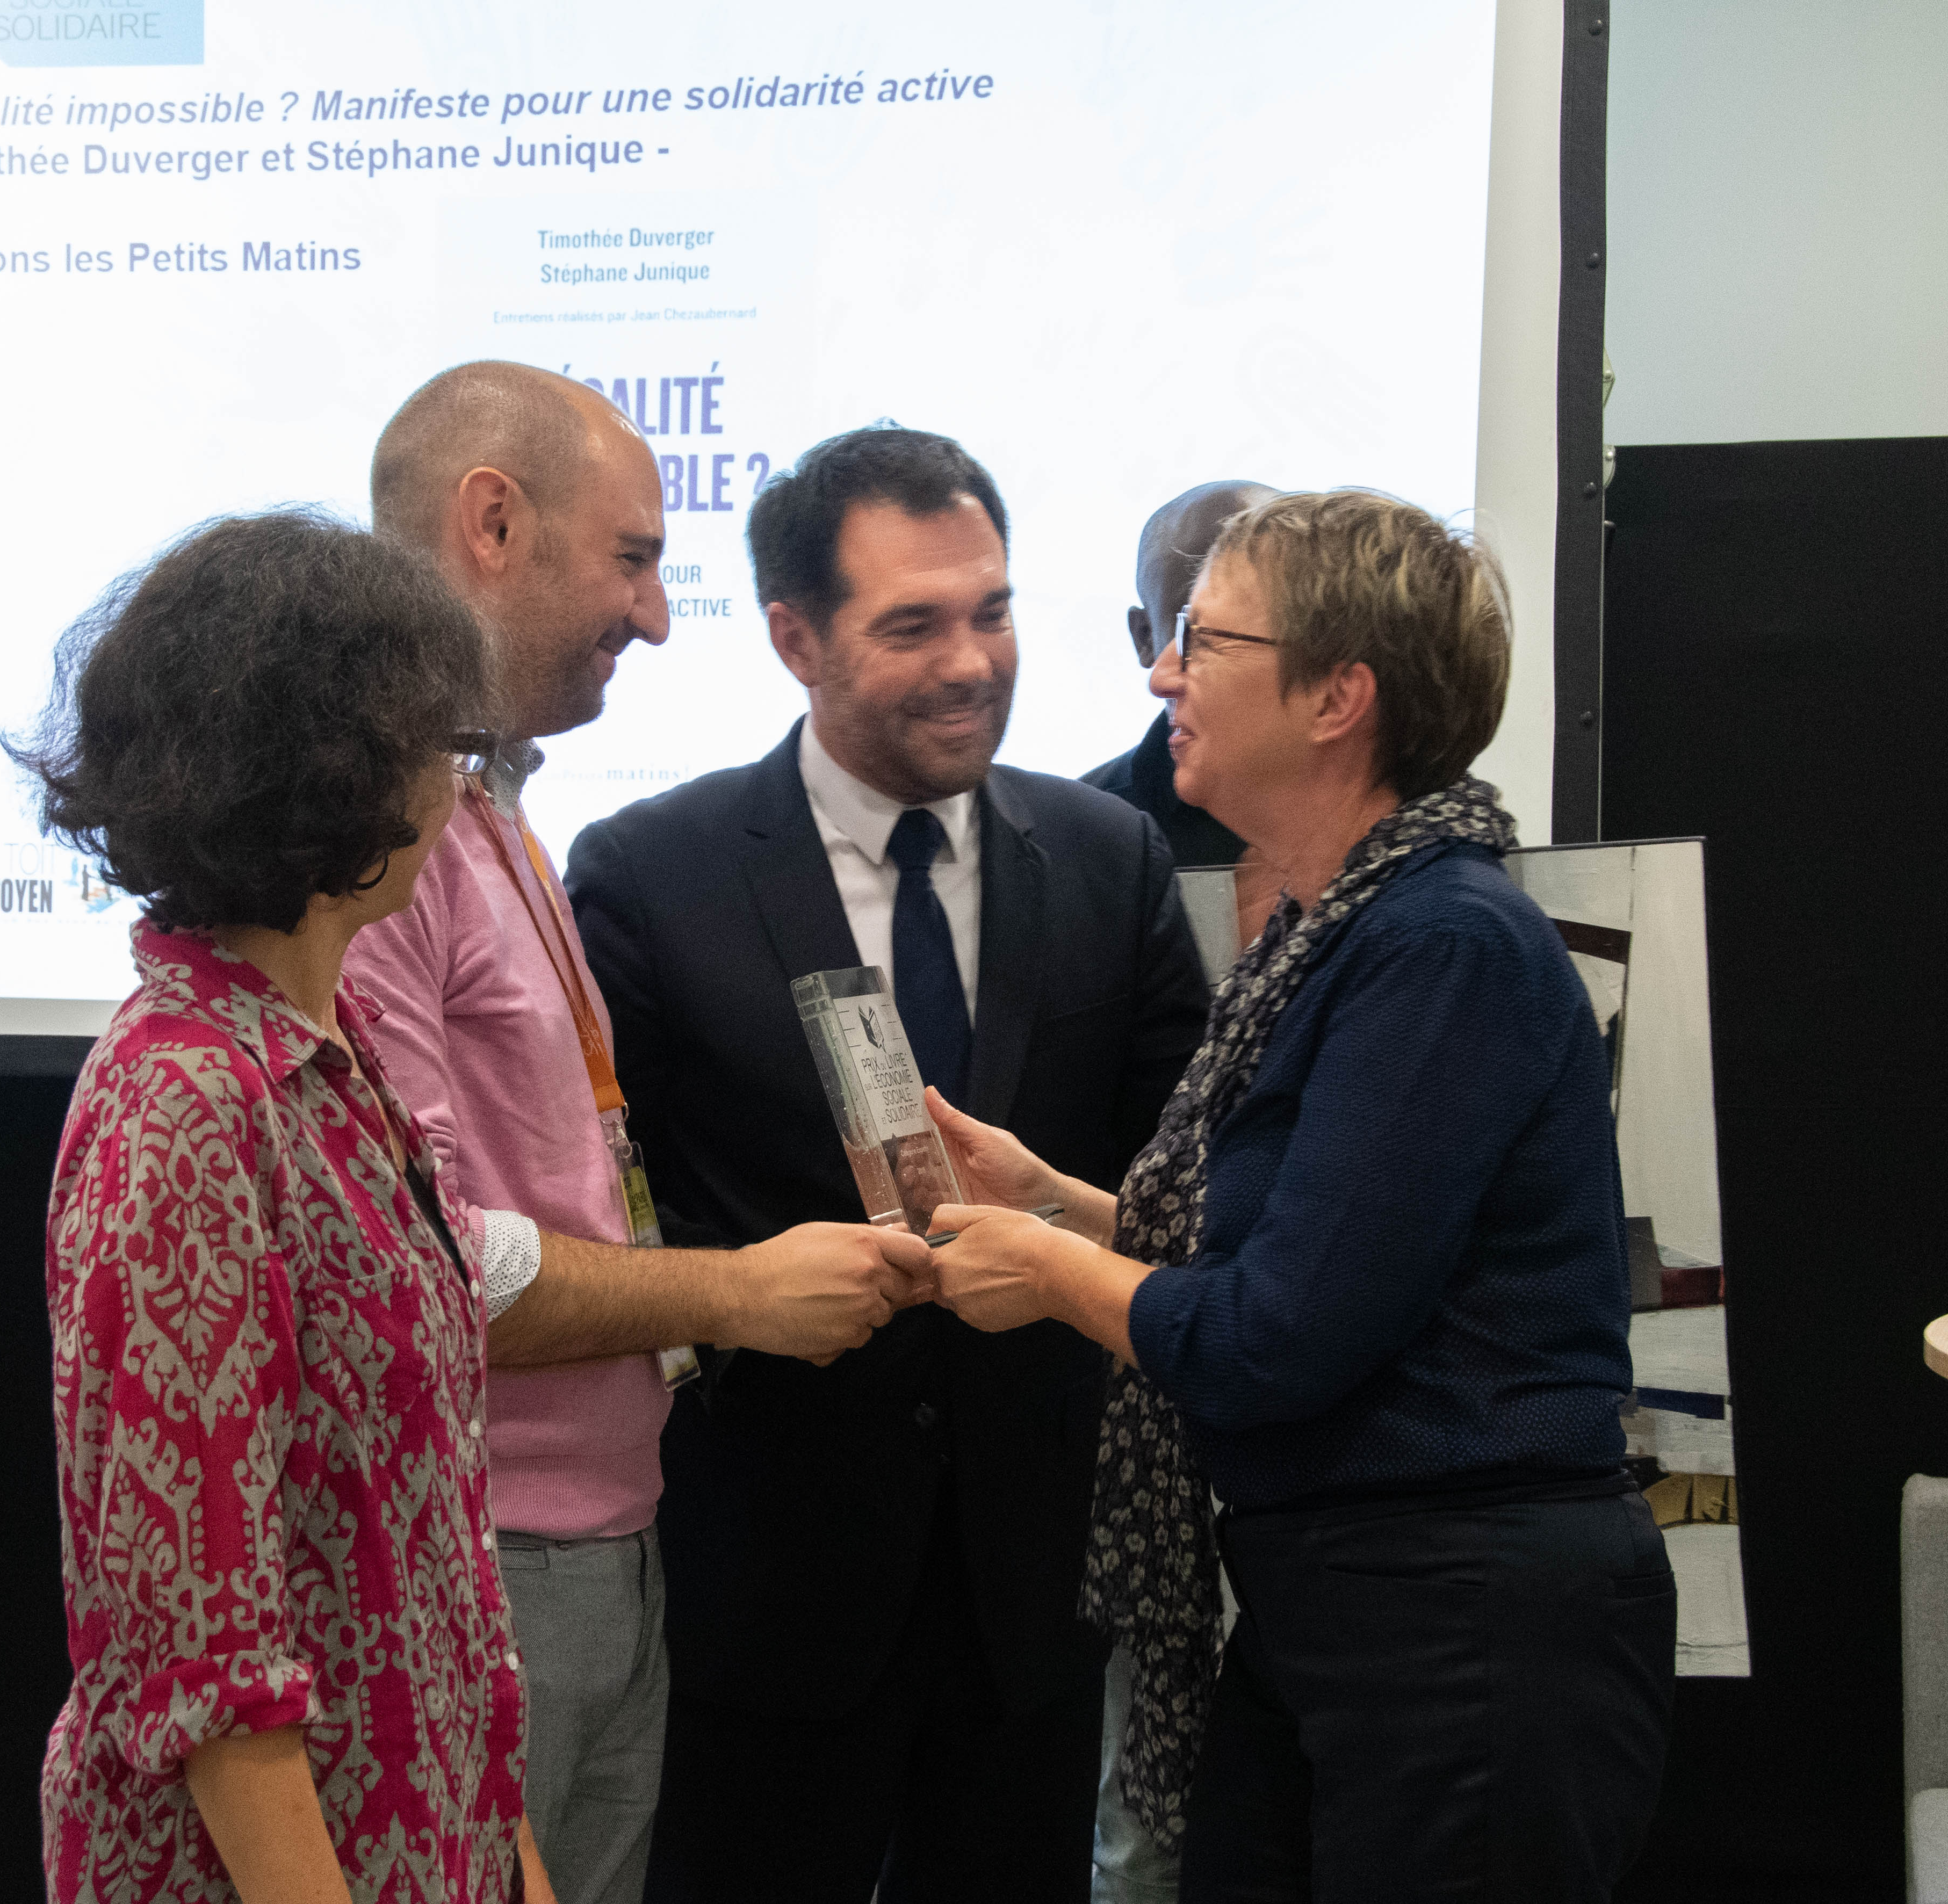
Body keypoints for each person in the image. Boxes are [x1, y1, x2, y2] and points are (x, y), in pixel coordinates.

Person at [928, 489, 1675, 1902]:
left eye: (1202, 642)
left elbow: (1272, 1339)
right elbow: (1284, 1247)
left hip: (1461, 1638)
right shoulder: (1344, 928)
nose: (1160, 675)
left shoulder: (1437, 946)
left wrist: (1040, 1269)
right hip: (1351, 1613)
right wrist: (1061, 1202)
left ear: (1337, 696)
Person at [565, 426, 1211, 1901]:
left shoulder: (1106, 859)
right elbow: (607, 1203)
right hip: (766, 1586)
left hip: (1032, 1589)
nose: (972, 660)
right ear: (793, 638)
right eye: (911, 624)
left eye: (990, 611)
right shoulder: (648, 874)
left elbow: (1181, 1183)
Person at [348, 363, 929, 1904]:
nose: (660, 616)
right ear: (490, 522)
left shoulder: (487, 812)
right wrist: (740, 1295)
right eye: (633, 559)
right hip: (484, 1553)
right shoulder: (364, 848)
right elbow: (425, 1266)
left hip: (598, 1543)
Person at [21, 511, 550, 1902]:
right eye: (439, 745)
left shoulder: (322, 1061)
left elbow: (431, 1566)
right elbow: (207, 1662)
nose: (459, 783)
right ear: (347, 771)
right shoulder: (188, 1100)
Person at [1074, 476, 1274, 1904]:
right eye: (1178, 628)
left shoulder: (1424, 905)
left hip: (1305, 1417)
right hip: (1127, 1377)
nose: (1179, 673)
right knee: (1123, 1796)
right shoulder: (1077, 843)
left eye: (1227, 635)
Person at [1081, 479, 1277, 868]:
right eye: (1199, 630)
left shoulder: (1401, 800)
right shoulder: (1083, 833)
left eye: (1272, 613)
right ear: (1145, 638)